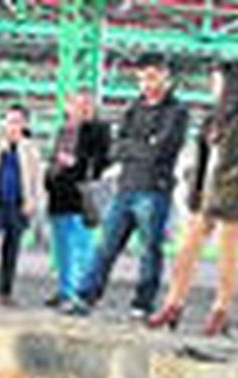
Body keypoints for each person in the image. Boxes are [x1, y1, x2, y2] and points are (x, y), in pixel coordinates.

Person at [148, 61, 238, 337]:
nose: (213, 86)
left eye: (217, 80)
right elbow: (203, 155)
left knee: (226, 256)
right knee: (185, 251)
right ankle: (173, 304)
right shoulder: (212, 119)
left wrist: (228, 177)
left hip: (233, 194)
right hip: (205, 193)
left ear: (232, 84)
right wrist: (195, 182)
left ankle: (220, 310)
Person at [66, 54, 190, 320]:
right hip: (125, 188)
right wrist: (144, 144)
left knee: (149, 251)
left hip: (154, 189)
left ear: (166, 76)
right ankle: (85, 298)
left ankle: (142, 304)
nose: (146, 84)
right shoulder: (133, 108)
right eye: (141, 79)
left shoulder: (177, 112)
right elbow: (115, 149)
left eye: (152, 77)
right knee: (105, 247)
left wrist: (134, 146)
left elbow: (162, 150)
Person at [0, 105, 45, 305]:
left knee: (11, 252)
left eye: (17, 122)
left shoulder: (31, 150)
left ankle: (5, 292)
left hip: (17, 207)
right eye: (10, 121)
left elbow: (37, 180)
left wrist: (33, 203)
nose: (12, 126)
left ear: (24, 124)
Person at [43, 91, 112, 307]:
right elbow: (54, 158)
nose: (76, 109)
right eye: (73, 104)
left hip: (81, 197)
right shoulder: (63, 130)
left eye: (83, 104)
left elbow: (102, 160)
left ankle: (80, 293)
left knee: (82, 247)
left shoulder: (98, 130)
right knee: (62, 248)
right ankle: (65, 289)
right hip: (58, 195)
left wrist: (75, 162)